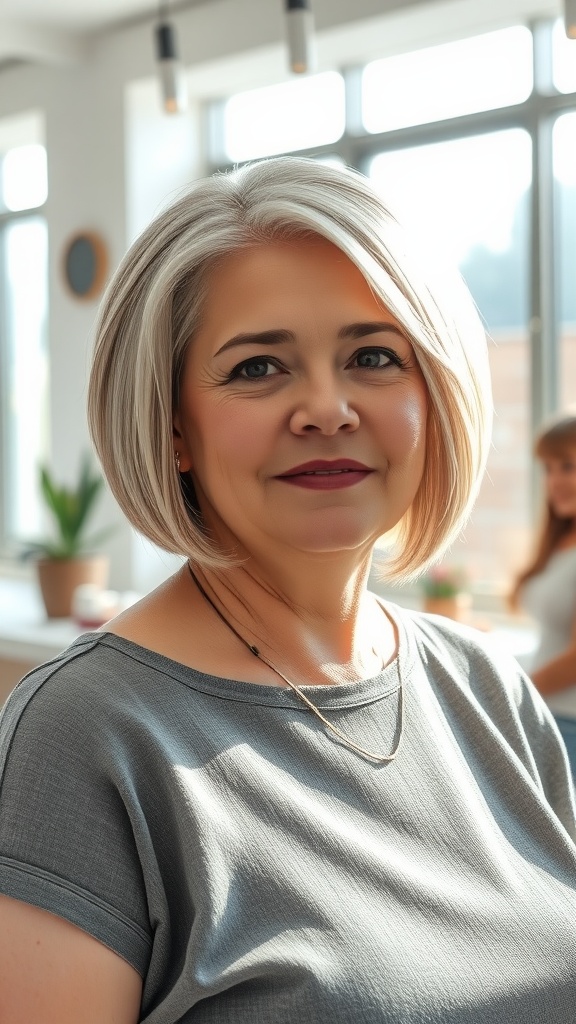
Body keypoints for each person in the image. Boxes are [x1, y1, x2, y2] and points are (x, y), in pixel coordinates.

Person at [1, 157, 576, 1024]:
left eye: (374, 357)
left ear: (433, 396)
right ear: (172, 426)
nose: (327, 409)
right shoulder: (85, 733)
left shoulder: (487, 687)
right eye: (258, 368)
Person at [509, 411, 576, 775]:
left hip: (568, 721)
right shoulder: (561, 542)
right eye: (548, 469)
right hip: (549, 713)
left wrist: (516, 693)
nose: (554, 482)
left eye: (567, 466)